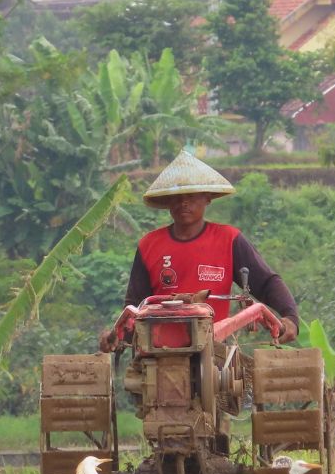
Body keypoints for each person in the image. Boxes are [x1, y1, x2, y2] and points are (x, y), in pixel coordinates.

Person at [99, 149, 300, 351]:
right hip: (158, 352)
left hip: (214, 350)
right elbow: (135, 306)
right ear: (168, 201)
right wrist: (117, 337)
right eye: (176, 196)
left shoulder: (229, 239)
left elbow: (266, 282)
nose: (184, 202)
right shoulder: (149, 244)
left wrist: (290, 317)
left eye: (192, 195)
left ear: (207, 198)